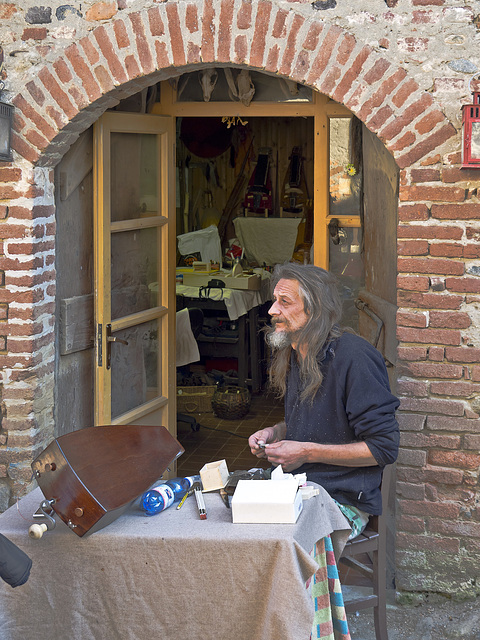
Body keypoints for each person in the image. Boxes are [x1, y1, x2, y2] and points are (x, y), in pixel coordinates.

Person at [249, 262, 400, 532]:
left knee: (281, 543)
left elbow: (383, 448)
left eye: (285, 302)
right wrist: (276, 432)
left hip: (345, 501)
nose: (273, 310)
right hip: (300, 486)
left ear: (315, 310)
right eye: (275, 300)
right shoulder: (295, 352)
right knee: (240, 522)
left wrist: (305, 453)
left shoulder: (354, 357)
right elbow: (321, 422)